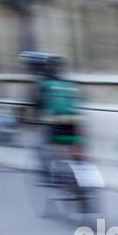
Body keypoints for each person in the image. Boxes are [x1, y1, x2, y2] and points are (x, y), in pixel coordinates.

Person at [26, 53, 82, 181]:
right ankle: (80, 168)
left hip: (56, 123)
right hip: (75, 123)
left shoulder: (44, 84)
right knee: (74, 145)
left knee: (46, 146)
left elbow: (37, 104)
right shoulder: (70, 83)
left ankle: (49, 175)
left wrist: (31, 120)